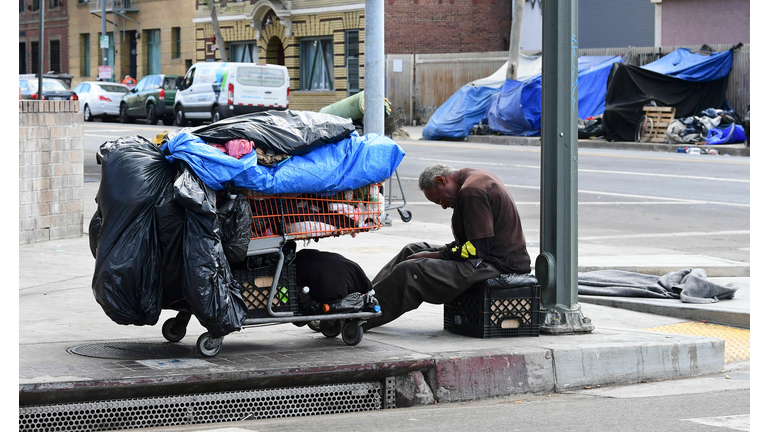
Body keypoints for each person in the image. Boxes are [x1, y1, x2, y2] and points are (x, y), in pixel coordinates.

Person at [363, 163, 531, 330]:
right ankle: (364, 298)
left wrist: (435, 256)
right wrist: (432, 253)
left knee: (412, 270)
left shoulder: (472, 191)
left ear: (442, 180)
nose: (443, 205)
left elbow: (476, 249)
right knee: (413, 250)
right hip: (484, 255)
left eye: (439, 199)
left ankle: (363, 317)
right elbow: (472, 243)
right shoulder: (471, 180)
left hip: (496, 263)